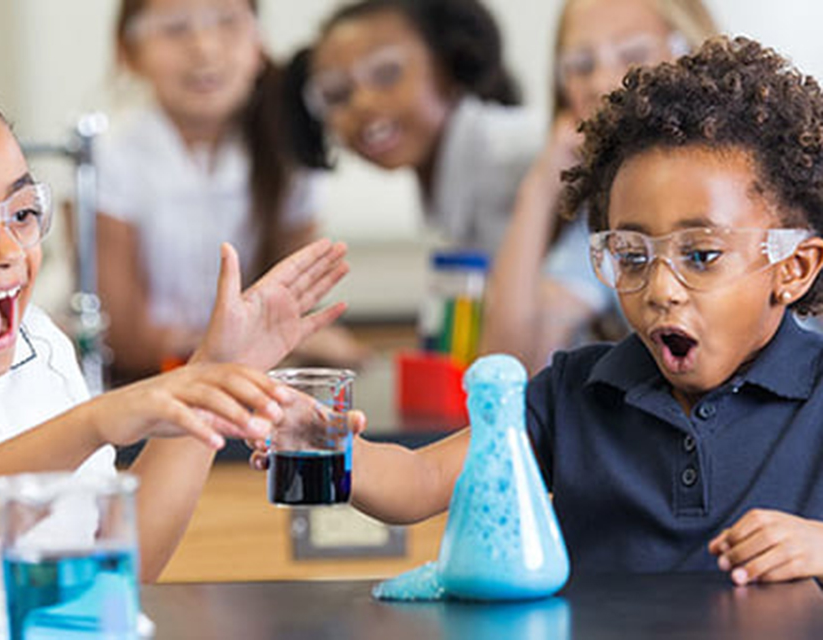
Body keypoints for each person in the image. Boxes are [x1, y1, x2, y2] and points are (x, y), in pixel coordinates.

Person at [257, 36, 823, 585]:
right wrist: (327, 442)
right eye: (630, 256)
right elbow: (420, 478)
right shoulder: (574, 393)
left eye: (701, 255)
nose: (660, 289)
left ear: (793, 269)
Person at [0, 69, 350, 587]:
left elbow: (116, 570)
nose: (8, 253)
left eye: (23, 213)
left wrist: (213, 377)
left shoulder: (39, 345)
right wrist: (95, 421)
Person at [98, 0, 366, 378]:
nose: (204, 48)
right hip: (145, 386)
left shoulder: (290, 145)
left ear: (259, 44)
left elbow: (299, 308)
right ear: (129, 52)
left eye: (227, 23)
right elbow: (127, 340)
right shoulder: (107, 152)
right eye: (175, 28)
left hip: (254, 386)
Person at [480, 0, 718, 374]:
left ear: (692, 55)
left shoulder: (770, 181)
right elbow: (510, 369)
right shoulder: (614, 219)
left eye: (633, 54)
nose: (601, 83)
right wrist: (541, 188)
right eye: (580, 66)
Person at [283, 0, 539, 257]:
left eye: (386, 74)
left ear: (447, 63)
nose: (362, 103)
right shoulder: (444, 180)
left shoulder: (521, 155)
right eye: (336, 94)